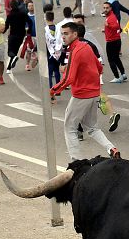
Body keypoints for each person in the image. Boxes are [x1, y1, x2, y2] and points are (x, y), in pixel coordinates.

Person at [50, 22, 119, 161]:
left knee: (69, 128)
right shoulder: (86, 46)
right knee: (92, 128)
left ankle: (77, 162)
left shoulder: (76, 51)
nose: (63, 37)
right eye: (62, 34)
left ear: (75, 34)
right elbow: (99, 68)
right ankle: (111, 148)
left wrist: (52, 91)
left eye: (66, 33)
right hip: (94, 93)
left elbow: (68, 79)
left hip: (81, 95)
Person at [102, 1, 127, 83]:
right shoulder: (112, 16)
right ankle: (123, 74)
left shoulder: (111, 17)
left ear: (111, 8)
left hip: (111, 42)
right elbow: (117, 28)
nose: (105, 9)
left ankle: (116, 76)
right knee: (116, 58)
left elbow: (116, 26)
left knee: (111, 60)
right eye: (104, 8)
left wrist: (108, 26)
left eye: (107, 8)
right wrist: (106, 30)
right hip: (116, 40)